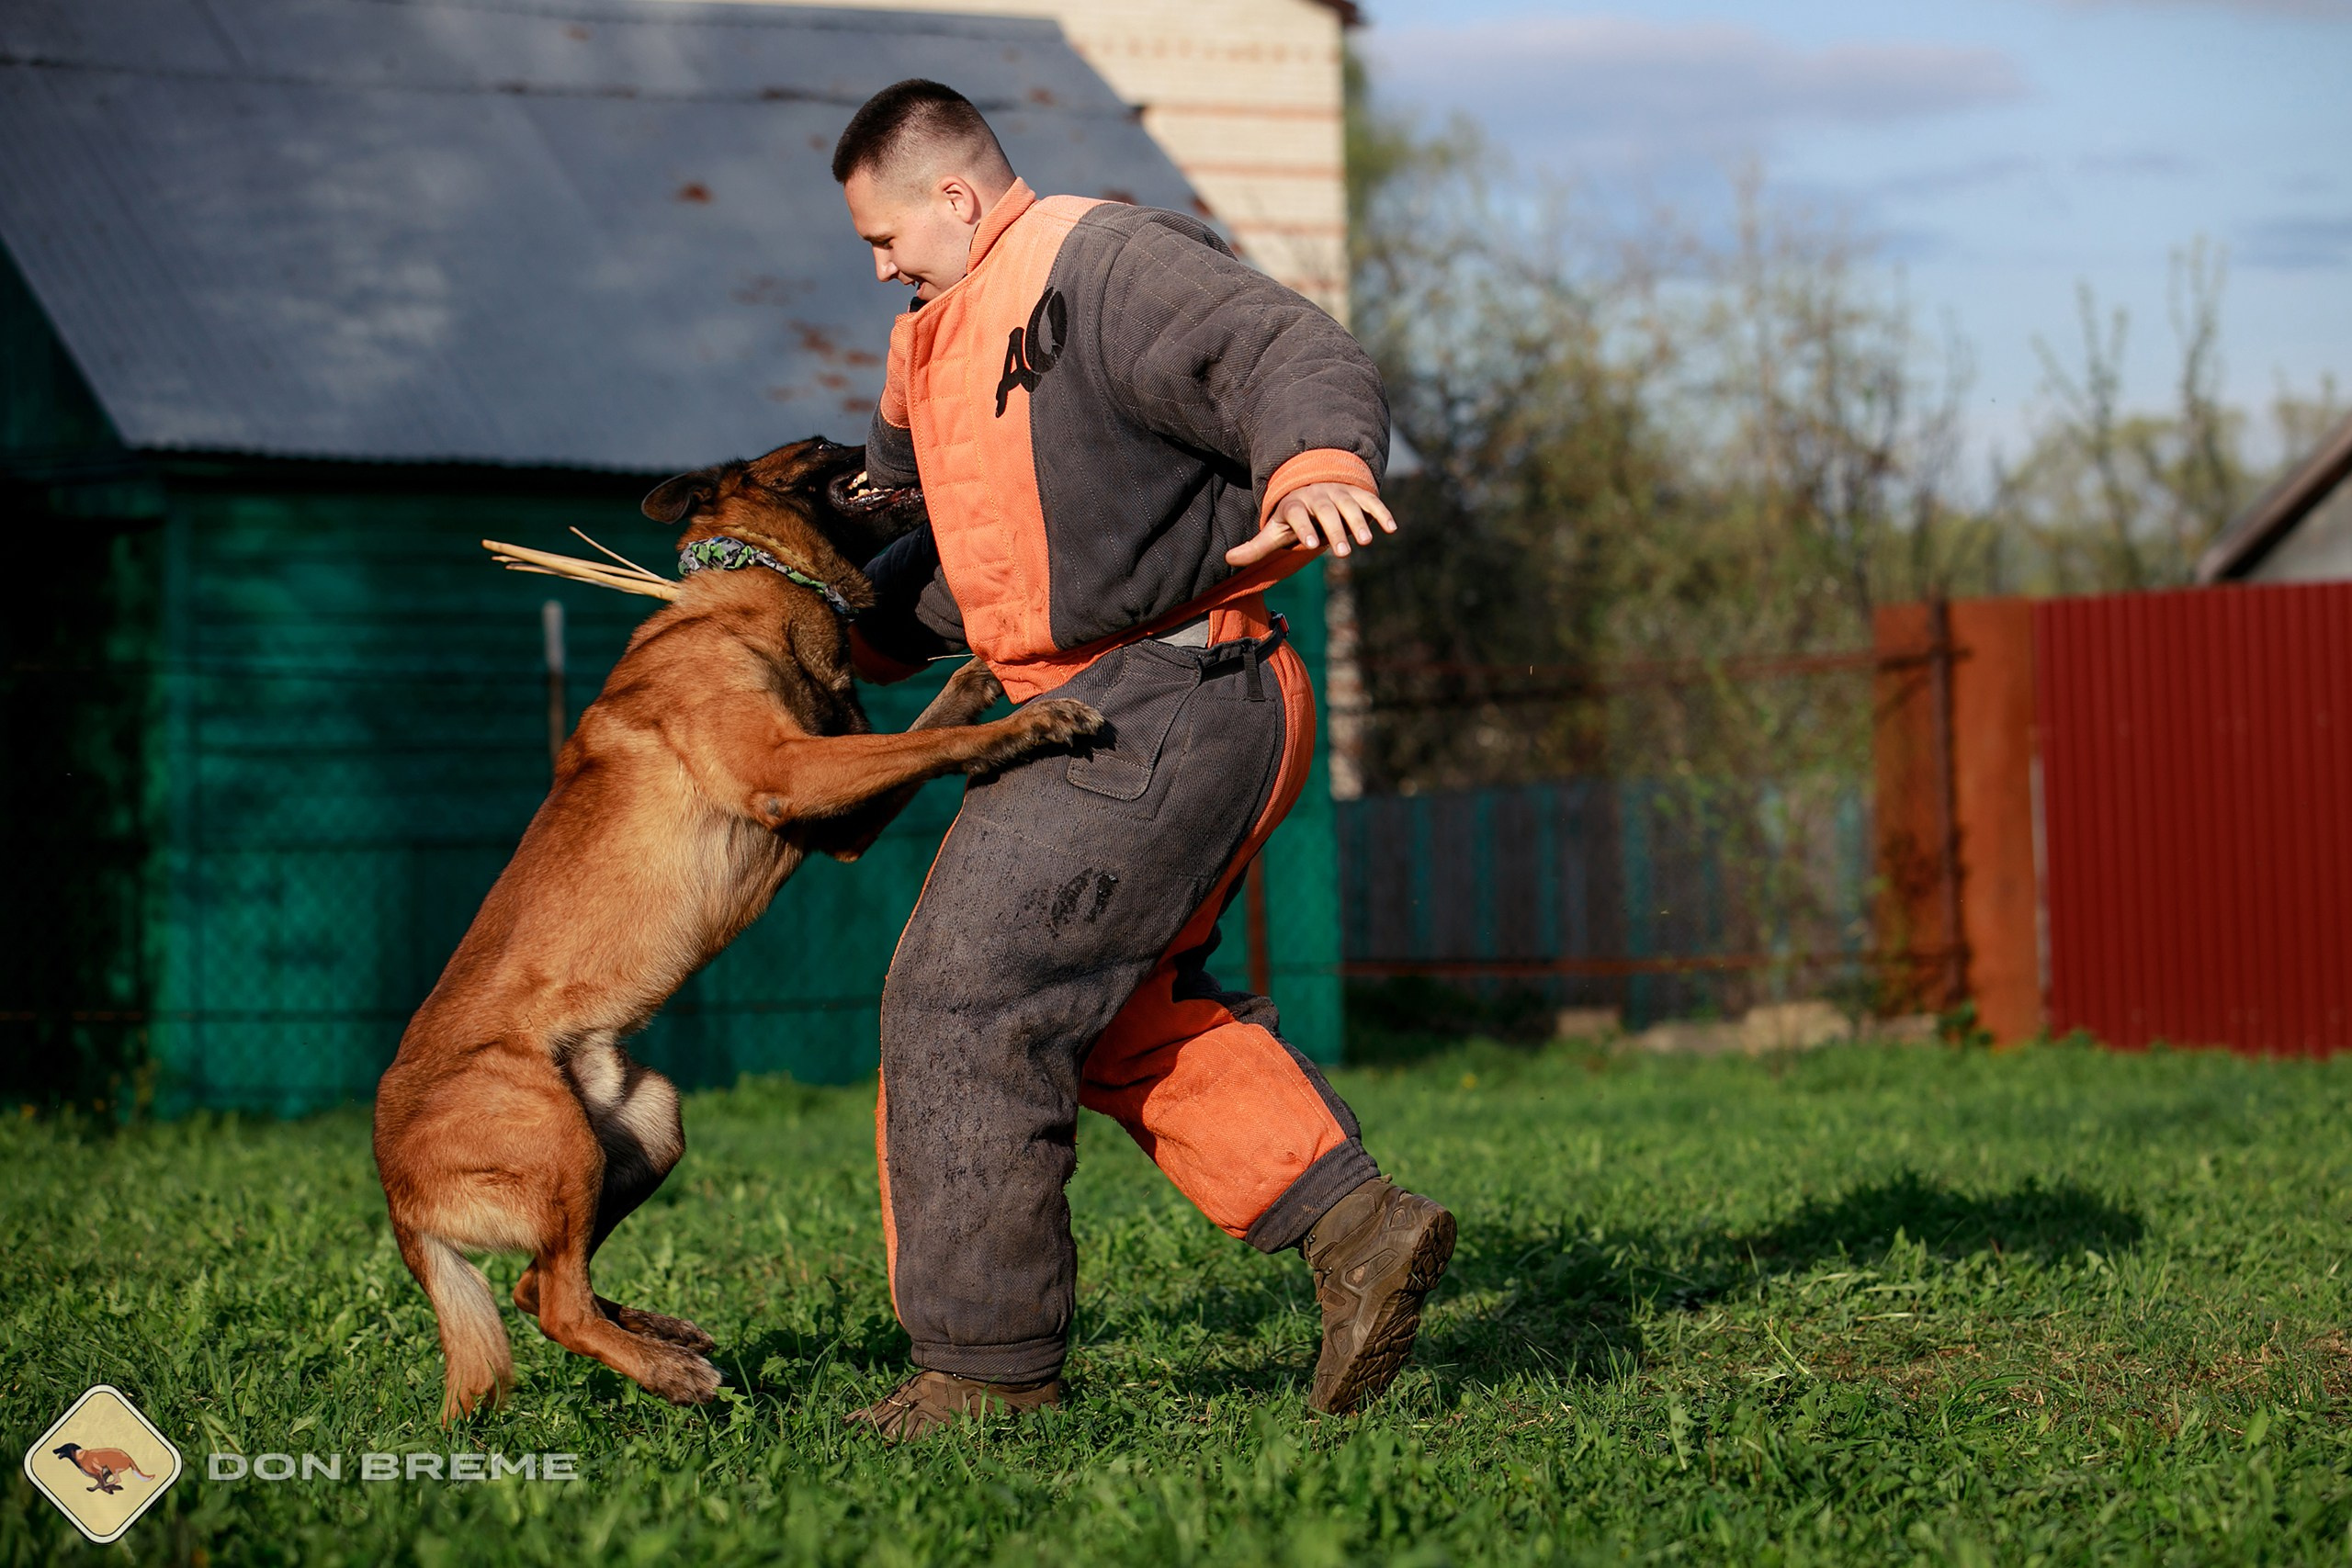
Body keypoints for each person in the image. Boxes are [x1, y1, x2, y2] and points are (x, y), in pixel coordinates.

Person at [830, 79, 1453, 1441]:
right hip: (1129, 698)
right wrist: (825, 620)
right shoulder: (946, 336)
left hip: (1171, 689)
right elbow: (971, 558)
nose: (878, 267)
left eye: (884, 237)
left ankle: (985, 1377)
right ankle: (1359, 1229)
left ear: (955, 195)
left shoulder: (1102, 265)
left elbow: (1285, 347)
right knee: (1110, 1015)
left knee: (963, 999)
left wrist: (1315, 464)